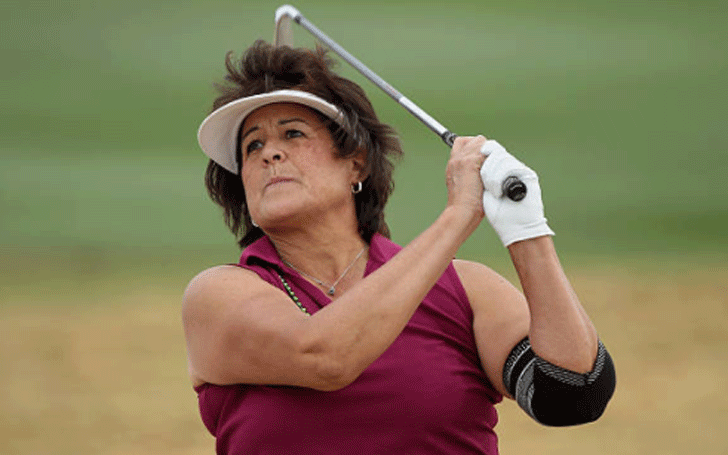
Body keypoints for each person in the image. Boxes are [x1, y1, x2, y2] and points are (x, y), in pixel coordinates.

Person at [183, 40, 615, 455]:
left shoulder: (464, 290)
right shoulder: (218, 296)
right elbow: (325, 357)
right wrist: (459, 214)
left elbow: (573, 394)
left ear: (357, 162)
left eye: (293, 134)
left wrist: (527, 230)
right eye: (252, 145)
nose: (269, 154)